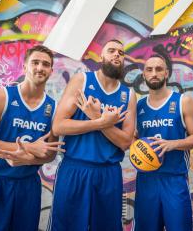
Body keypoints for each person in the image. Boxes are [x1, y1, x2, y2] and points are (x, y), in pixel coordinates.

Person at [47, 39, 136, 231]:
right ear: (102, 56)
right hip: (74, 169)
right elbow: (58, 126)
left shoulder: (128, 95)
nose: (116, 55)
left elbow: (126, 142)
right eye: (111, 50)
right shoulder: (82, 81)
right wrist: (99, 122)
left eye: (121, 53)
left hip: (108, 173)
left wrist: (98, 118)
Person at [0, 45, 64, 231]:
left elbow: (50, 154)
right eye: (35, 63)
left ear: (51, 71)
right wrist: (28, 147)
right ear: (24, 67)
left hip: (27, 185)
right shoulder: (1, 97)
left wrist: (27, 159)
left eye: (45, 64)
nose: (40, 67)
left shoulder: (53, 108)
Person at [133, 53, 193, 231]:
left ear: (166, 73)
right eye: (149, 69)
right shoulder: (138, 106)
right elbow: (133, 138)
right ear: (144, 75)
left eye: (159, 69)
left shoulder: (183, 102)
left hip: (174, 180)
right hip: (146, 180)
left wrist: (171, 144)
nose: (154, 73)